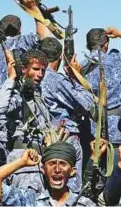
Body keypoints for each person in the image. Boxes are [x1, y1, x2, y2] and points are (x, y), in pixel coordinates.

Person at [39, 37, 97, 192]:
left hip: (43, 139)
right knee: (71, 189)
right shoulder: (55, 79)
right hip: (64, 138)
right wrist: (77, 77)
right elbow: (87, 104)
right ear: (60, 57)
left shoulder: (34, 77)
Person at [0, 49, 52, 191]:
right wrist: (11, 78)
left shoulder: (37, 93)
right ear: (23, 69)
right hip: (23, 161)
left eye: (43, 70)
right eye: (36, 69)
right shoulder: (17, 94)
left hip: (39, 159)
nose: (40, 74)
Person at [81, 27, 121, 145]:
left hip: (91, 131)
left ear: (88, 46)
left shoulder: (80, 67)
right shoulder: (117, 60)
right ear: (106, 45)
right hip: (117, 130)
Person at [0, 0, 50, 97]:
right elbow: (45, 38)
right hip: (21, 102)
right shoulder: (22, 41)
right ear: (20, 29)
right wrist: (34, 8)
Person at [0, 141, 96, 206]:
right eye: (52, 163)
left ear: (72, 171)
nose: (57, 169)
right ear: (43, 169)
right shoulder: (30, 200)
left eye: (63, 164)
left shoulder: (84, 204)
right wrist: (21, 162)